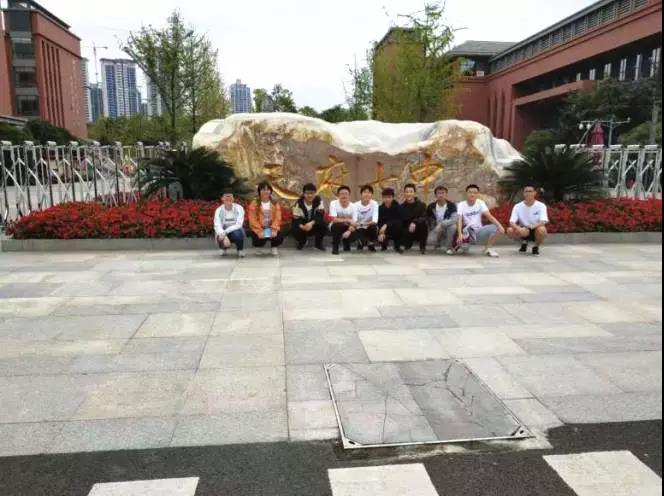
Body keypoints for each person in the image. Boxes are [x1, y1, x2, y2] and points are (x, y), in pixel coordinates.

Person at [454, 184, 505, 257]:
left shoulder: (480, 203)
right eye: (470, 192)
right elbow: (459, 220)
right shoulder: (461, 204)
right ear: (466, 193)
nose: (472, 194)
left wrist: (500, 226)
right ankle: (462, 244)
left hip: (479, 231)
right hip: (467, 232)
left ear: (478, 194)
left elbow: (489, 215)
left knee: (497, 227)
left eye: (475, 193)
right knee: (465, 249)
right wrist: (459, 234)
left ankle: (488, 248)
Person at [507, 184, 550, 256]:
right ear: (523, 193)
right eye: (526, 191)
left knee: (542, 230)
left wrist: (532, 227)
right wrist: (519, 229)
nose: (528, 193)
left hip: (535, 228)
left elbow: (544, 221)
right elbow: (511, 221)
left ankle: (536, 247)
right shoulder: (517, 206)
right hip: (523, 229)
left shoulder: (541, 205)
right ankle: (523, 242)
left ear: (534, 193)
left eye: (530, 191)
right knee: (510, 230)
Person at [247, 181, 284, 256]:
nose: (266, 192)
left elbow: (278, 217)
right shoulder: (254, 203)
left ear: (270, 191)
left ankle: (274, 247)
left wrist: (274, 229)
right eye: (263, 189)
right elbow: (252, 219)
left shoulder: (274, 203)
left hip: (271, 227)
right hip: (260, 227)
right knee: (256, 236)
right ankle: (258, 247)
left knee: (279, 235)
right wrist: (259, 231)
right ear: (259, 191)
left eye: (268, 189)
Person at [292, 183, 327, 251]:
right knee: (294, 227)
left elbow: (320, 215)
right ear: (304, 194)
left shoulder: (319, 201)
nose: (310, 195)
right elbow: (296, 218)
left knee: (323, 224)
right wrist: (302, 227)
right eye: (307, 193)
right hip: (303, 224)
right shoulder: (298, 203)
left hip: (313, 223)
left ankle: (318, 244)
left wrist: (311, 223)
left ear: (315, 193)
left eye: (312, 193)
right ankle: (302, 241)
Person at [213, 190, 246, 258]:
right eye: (226, 197)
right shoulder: (219, 210)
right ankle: (223, 248)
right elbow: (217, 225)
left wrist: (225, 232)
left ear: (233, 199)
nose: (228, 198)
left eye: (230, 196)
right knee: (219, 235)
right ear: (222, 199)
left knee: (238, 233)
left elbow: (239, 225)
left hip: (235, 230)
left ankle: (240, 250)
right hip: (223, 231)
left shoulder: (239, 208)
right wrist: (224, 235)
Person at [426, 185, 458, 252]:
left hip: (447, 228)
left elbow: (454, 219)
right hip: (435, 229)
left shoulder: (451, 205)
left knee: (453, 226)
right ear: (436, 195)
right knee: (430, 241)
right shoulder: (431, 206)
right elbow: (426, 219)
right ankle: (438, 243)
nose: (441, 195)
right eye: (439, 193)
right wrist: (429, 229)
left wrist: (442, 224)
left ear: (446, 194)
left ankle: (448, 247)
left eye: (443, 193)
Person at [399, 183, 428, 254]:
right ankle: (405, 244)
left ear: (414, 193)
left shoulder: (422, 205)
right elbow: (402, 221)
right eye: (407, 192)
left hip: (419, 230)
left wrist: (414, 222)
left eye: (411, 192)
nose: (409, 194)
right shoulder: (401, 207)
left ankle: (422, 247)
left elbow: (424, 217)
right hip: (408, 231)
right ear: (404, 193)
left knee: (424, 224)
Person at [329, 185, 358, 255]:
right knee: (337, 225)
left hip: (348, 227)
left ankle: (346, 243)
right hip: (335, 226)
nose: (344, 196)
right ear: (338, 195)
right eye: (342, 194)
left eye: (346, 194)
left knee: (356, 232)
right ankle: (335, 247)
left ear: (349, 195)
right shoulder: (333, 203)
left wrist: (349, 231)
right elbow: (334, 219)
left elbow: (354, 223)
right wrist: (347, 220)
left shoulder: (353, 206)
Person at [377, 188, 404, 253]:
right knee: (378, 232)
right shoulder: (380, 208)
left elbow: (399, 221)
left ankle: (397, 246)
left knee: (399, 226)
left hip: (394, 230)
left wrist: (386, 225)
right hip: (384, 231)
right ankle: (384, 245)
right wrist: (381, 232)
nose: (387, 199)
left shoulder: (398, 207)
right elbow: (379, 222)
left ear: (392, 198)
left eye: (389, 197)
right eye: (385, 197)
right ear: (382, 198)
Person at [354, 185, 380, 252]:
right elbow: (354, 221)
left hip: (369, 227)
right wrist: (361, 225)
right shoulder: (355, 205)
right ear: (361, 194)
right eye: (365, 192)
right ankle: (361, 242)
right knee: (359, 230)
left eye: (369, 192)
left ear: (371, 194)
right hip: (359, 228)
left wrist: (362, 224)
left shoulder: (375, 204)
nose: (367, 194)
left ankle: (371, 244)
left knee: (374, 226)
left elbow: (374, 221)